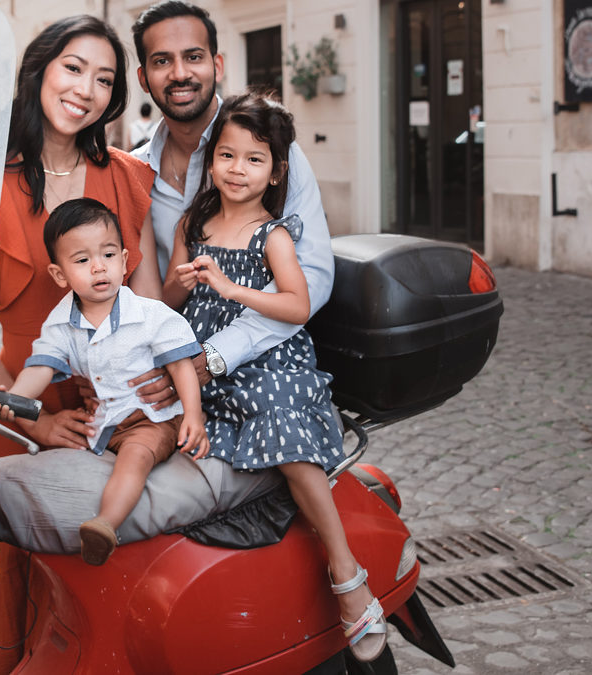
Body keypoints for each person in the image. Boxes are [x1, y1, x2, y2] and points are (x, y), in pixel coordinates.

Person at [163, 92, 387, 662]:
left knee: (283, 429)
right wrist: (185, 284)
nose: (238, 170)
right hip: (205, 355)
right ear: (211, 159)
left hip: (270, 357)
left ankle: (346, 574)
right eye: (228, 156)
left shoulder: (275, 233)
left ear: (276, 170)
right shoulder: (193, 224)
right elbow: (166, 294)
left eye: (254, 159)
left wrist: (234, 290)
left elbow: (295, 304)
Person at [0, 15, 162, 672]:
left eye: (104, 79)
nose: (86, 89)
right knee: (31, 568)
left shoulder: (132, 178)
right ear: (40, 70)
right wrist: (36, 418)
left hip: (114, 405)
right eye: (74, 68)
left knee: (115, 561)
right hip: (19, 402)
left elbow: (153, 305)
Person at [130, 0, 334, 410]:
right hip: (171, 369)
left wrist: (216, 354)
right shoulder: (134, 172)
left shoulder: (275, 152)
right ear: (143, 78)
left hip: (263, 367)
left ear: (217, 65)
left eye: (193, 57)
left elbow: (313, 273)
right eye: (161, 61)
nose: (180, 73)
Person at [0, 198, 208, 566]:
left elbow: (182, 367)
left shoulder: (150, 314)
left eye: (108, 255)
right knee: (71, 468)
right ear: (60, 275)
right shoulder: (60, 324)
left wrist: (193, 415)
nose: (98, 267)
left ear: (125, 260)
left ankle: (105, 525)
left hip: (151, 417)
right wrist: (15, 398)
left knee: (136, 456)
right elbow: (40, 367)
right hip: (103, 423)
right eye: (81, 260)